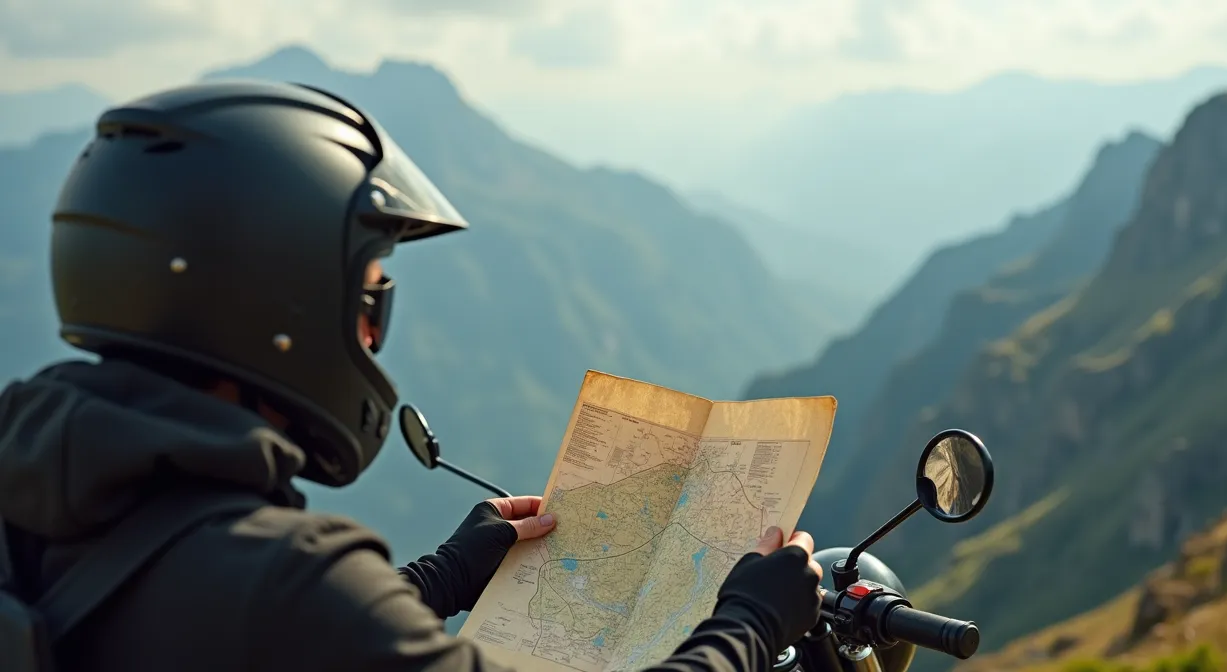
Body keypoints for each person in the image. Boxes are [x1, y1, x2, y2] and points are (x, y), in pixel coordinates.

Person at [0, 80, 823, 671]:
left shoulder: (42, 499)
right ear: (276, 306)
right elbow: (286, 616)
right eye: (368, 298)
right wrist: (750, 623)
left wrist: (438, 578)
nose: (371, 334)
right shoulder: (294, 582)